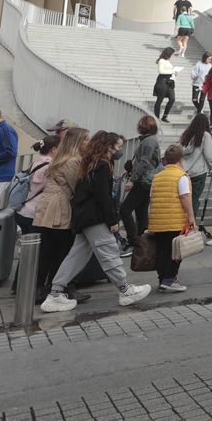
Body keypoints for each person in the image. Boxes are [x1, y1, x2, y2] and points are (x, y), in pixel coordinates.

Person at [41, 131, 153, 313]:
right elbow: (103, 196)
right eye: (118, 146)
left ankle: (55, 292)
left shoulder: (90, 163)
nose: (119, 150)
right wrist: (112, 220)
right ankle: (125, 289)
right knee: (109, 251)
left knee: (76, 256)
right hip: (95, 217)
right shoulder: (102, 165)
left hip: (84, 216)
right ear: (108, 146)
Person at [30, 127, 89, 306]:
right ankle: (62, 288)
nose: (88, 143)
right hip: (59, 207)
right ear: (77, 142)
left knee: (49, 250)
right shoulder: (72, 161)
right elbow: (76, 187)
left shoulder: (60, 158)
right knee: (63, 250)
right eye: (86, 139)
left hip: (49, 207)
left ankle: (41, 288)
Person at [147, 144, 197, 293]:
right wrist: (191, 217)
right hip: (175, 221)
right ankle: (169, 279)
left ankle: (163, 279)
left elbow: (151, 198)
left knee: (162, 251)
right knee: (176, 251)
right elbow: (185, 197)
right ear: (181, 159)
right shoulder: (181, 176)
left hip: (158, 222)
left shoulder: (157, 177)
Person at [119, 115, 161, 248]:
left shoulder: (148, 141)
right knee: (141, 212)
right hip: (146, 181)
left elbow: (144, 161)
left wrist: (132, 179)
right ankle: (142, 241)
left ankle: (134, 239)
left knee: (125, 210)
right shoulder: (149, 140)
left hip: (143, 181)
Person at [179, 113, 212, 238]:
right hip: (199, 172)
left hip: (185, 172)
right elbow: (208, 154)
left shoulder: (188, 135)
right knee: (194, 200)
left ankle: (182, 224)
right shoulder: (205, 136)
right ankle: (191, 226)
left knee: (185, 199)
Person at [14, 135, 59, 234]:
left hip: (23, 211)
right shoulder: (51, 167)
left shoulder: (35, 163)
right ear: (54, 149)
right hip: (35, 214)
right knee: (35, 248)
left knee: (26, 245)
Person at [152, 47, 179, 123]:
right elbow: (161, 71)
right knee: (159, 100)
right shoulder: (161, 60)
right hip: (162, 82)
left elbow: (168, 71)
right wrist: (171, 72)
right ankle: (157, 117)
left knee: (172, 99)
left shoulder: (167, 61)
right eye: (172, 54)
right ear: (169, 54)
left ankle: (165, 116)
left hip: (169, 82)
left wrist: (174, 73)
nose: (172, 56)